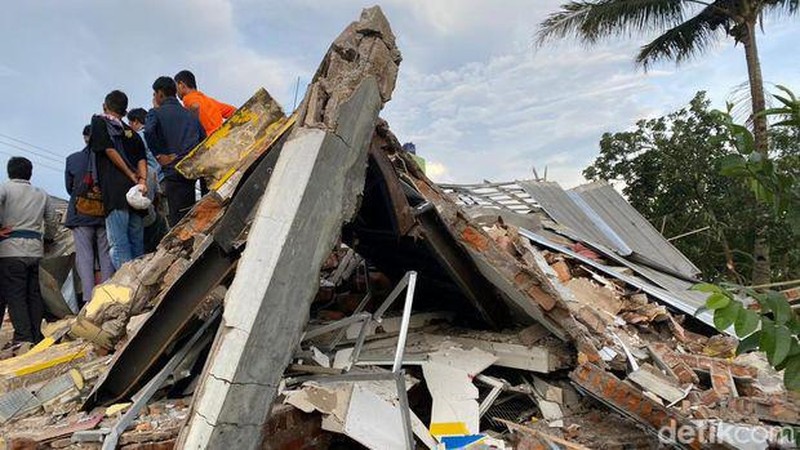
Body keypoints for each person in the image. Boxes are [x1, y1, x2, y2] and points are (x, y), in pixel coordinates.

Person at [0, 157, 57, 349]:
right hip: (35, 250)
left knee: (16, 295)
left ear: (9, 172)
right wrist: (48, 240)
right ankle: (36, 336)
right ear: (30, 173)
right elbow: (51, 220)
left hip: (10, 250)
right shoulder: (42, 194)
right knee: (33, 294)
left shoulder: (5, 189)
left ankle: (23, 338)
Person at [90, 90, 148, 270]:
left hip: (114, 193)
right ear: (124, 111)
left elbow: (108, 149)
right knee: (136, 242)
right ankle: (140, 282)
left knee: (118, 243)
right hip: (135, 195)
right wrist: (142, 181)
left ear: (105, 106)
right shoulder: (131, 132)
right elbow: (141, 158)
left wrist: (129, 173)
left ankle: (128, 285)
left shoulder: (99, 121)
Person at [145, 76, 205, 226]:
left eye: (154, 94)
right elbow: (203, 138)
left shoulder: (156, 113)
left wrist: (160, 155)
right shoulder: (190, 114)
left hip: (173, 171)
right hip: (191, 170)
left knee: (177, 220)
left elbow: (149, 132)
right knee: (189, 212)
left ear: (160, 94)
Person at [64, 125, 114, 304]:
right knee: (106, 255)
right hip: (103, 213)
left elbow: (70, 189)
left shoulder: (73, 159)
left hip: (80, 214)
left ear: (85, 137)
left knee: (84, 258)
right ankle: (106, 297)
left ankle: (88, 299)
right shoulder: (109, 159)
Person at [127, 108, 168, 252]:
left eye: (130, 123)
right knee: (165, 217)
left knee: (150, 216)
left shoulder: (138, 137)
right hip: (164, 177)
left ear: (136, 122)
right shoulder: (156, 134)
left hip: (150, 180)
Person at [174, 70, 235, 135]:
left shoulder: (187, 98)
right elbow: (233, 111)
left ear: (181, 85)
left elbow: (195, 106)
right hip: (222, 134)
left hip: (209, 139)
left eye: (176, 88)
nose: (176, 93)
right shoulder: (210, 100)